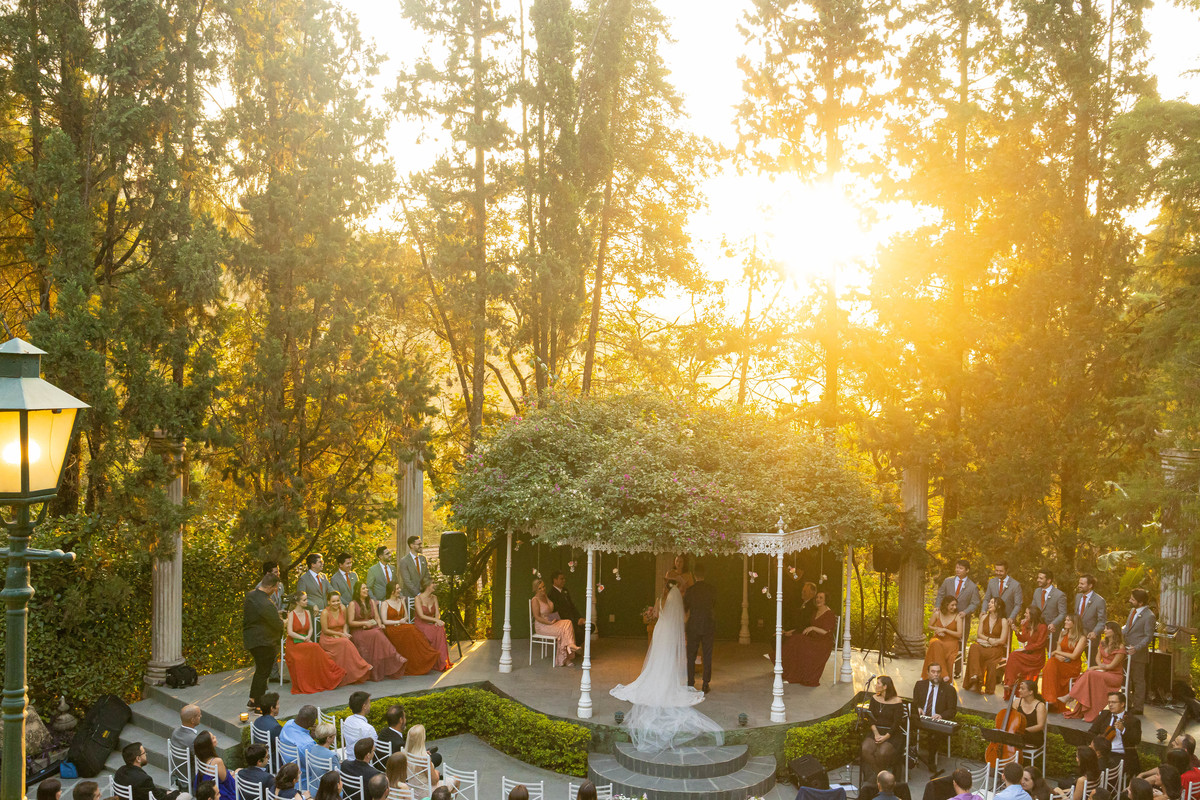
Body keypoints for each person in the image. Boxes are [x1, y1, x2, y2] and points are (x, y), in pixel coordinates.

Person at [609, 582, 723, 751]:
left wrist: (654, 613)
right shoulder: (675, 599)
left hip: (661, 630)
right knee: (668, 659)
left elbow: (655, 615)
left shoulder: (659, 599)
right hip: (669, 632)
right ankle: (667, 682)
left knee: (658, 658)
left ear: (665, 588)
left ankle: (656, 679)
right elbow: (681, 618)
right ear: (675, 589)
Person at [285, 591, 356, 691]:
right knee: (316, 647)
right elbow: (290, 632)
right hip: (294, 645)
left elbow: (310, 629)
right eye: (304, 600)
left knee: (314, 647)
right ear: (297, 602)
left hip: (305, 642)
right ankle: (335, 671)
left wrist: (308, 637)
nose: (307, 602)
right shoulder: (292, 614)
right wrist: (303, 639)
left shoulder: (307, 612)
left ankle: (330, 675)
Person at [1065, 622, 1127, 721]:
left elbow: (1111, 666)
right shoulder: (1103, 642)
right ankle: (1083, 708)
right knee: (1090, 676)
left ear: (1114, 631)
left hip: (1114, 676)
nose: (1104, 630)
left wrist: (1096, 668)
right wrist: (1099, 666)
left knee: (1090, 673)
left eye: (1107, 629)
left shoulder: (1120, 647)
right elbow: (1097, 658)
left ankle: (1071, 696)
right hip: (1102, 672)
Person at [348, 582, 407, 681]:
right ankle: (395, 655)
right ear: (358, 591)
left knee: (379, 632)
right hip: (359, 631)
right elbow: (350, 622)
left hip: (372, 628)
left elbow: (377, 617)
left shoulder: (371, 601)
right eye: (364, 588)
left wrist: (380, 625)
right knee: (376, 634)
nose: (367, 590)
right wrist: (364, 624)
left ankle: (384, 665)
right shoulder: (352, 604)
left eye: (367, 588)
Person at [381, 580, 443, 674]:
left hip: (402, 626)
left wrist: (403, 621)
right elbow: (384, 621)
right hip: (392, 628)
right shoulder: (385, 603)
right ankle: (425, 656)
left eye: (399, 588)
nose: (399, 590)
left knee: (412, 630)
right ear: (392, 591)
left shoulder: (401, 601)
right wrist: (398, 621)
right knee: (411, 629)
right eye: (397, 588)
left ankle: (426, 656)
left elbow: (406, 616)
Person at [243, 572, 285, 708]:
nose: (275, 590)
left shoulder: (250, 596)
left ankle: (253, 699)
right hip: (264, 642)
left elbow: (259, 616)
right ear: (271, 587)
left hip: (251, 639)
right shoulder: (266, 603)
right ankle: (258, 702)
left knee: (260, 671)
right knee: (263, 672)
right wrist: (285, 621)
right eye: (275, 588)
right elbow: (277, 625)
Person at [782, 589, 838, 686]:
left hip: (823, 642)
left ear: (826, 600)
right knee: (795, 639)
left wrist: (813, 627)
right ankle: (789, 670)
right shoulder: (816, 611)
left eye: (821, 598)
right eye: (817, 597)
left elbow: (825, 632)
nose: (818, 599)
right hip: (813, 639)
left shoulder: (829, 614)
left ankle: (796, 675)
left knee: (800, 643)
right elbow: (807, 625)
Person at [318, 590, 375, 682]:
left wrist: (344, 632)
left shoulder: (343, 608)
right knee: (345, 642)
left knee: (345, 641)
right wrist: (341, 634)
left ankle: (354, 673)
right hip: (328, 638)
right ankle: (362, 664)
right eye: (333, 601)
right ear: (328, 602)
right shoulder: (325, 612)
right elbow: (325, 630)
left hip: (341, 636)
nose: (336, 603)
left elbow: (345, 623)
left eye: (338, 601)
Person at [860, 676, 905, 788]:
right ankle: (881, 777)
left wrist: (885, 737)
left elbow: (897, 723)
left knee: (882, 753)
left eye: (878, 683)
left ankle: (880, 779)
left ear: (885, 686)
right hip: (876, 730)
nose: (876, 685)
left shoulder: (897, 701)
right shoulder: (874, 698)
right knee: (865, 749)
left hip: (891, 733)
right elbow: (870, 718)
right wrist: (876, 733)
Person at [913, 662, 958, 775]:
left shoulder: (949, 690)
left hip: (935, 721)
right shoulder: (919, 685)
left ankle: (931, 761)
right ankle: (909, 755)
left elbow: (952, 710)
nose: (936, 674)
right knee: (905, 727)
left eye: (938, 672)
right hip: (920, 718)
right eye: (933, 672)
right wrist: (918, 708)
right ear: (928, 673)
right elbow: (915, 702)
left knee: (934, 735)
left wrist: (941, 715)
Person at [1089, 691, 1142, 774]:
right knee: (1087, 758)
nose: (1110, 705)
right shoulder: (1104, 715)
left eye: (1113, 702)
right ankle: (1082, 782)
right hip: (1103, 752)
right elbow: (1092, 732)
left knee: (1100, 765)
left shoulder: (1133, 720)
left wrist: (1123, 730)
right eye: (1109, 702)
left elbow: (1136, 740)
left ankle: (1098, 783)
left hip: (1120, 754)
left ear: (1122, 704)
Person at [965, 596, 1010, 693]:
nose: (989, 604)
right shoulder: (984, 617)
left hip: (995, 649)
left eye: (992, 602)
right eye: (989, 602)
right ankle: (976, 676)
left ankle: (978, 679)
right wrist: (989, 639)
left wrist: (994, 642)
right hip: (983, 645)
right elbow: (979, 634)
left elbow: (1002, 640)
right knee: (973, 647)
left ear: (998, 606)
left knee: (988, 661)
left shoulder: (1003, 621)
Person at [531, 576, 579, 666]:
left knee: (568, 622)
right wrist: (549, 622)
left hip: (550, 621)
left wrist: (553, 618)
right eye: (539, 588)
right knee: (563, 630)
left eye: (543, 586)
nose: (543, 589)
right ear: (535, 589)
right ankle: (566, 657)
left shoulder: (546, 596)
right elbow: (537, 617)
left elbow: (550, 611)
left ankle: (569, 647)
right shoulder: (535, 600)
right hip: (542, 626)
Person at [1043, 613, 1087, 712]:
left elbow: (1074, 656)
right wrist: (1057, 655)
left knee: (1050, 664)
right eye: (1065, 620)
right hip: (1060, 662)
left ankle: (1050, 699)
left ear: (1074, 623)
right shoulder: (1063, 634)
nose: (1065, 622)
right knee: (1051, 662)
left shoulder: (1082, 638)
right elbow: (1059, 649)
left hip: (1072, 666)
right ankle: (1050, 699)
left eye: (1068, 620)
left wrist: (1056, 652)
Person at [685, 561, 717, 693]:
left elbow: (685, 607)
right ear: (705, 574)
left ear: (694, 574)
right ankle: (705, 684)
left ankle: (690, 682)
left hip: (693, 625)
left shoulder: (690, 591)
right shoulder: (711, 590)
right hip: (708, 624)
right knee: (707, 655)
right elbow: (714, 605)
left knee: (691, 655)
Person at [1123, 588, 1156, 715]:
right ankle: (1127, 703)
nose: (1130, 601)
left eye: (1133, 599)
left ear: (1141, 602)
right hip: (1126, 651)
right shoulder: (1132, 611)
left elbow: (1148, 637)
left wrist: (1136, 648)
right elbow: (1127, 629)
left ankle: (1138, 707)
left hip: (1138, 653)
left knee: (1138, 680)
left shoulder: (1149, 616)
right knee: (1126, 679)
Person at [1004, 606, 1048, 699]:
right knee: (1013, 655)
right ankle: (1009, 683)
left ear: (1032, 615)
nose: (1024, 614)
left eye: (1026, 613)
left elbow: (1040, 644)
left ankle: (1010, 683)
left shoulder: (1042, 627)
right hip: (1028, 653)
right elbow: (1024, 639)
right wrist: (1017, 631)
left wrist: (1025, 649)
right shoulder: (1028, 624)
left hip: (1036, 657)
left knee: (1014, 655)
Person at [115, 741, 185, 800]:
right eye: (144, 753)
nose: (146, 754)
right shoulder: (143, 779)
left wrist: (166, 791)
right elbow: (162, 799)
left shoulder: (120, 771)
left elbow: (151, 790)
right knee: (186, 796)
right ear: (138, 759)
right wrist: (176, 793)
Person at [413, 577, 453, 669]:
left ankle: (441, 662)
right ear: (427, 586)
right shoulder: (418, 598)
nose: (435, 585)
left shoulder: (434, 597)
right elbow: (421, 615)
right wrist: (436, 620)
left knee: (440, 627)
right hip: (421, 623)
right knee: (435, 629)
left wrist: (437, 620)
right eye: (433, 583)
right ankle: (436, 661)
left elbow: (437, 613)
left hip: (431, 622)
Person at [404, 724, 457, 791]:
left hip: (412, 790)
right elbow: (434, 781)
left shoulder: (405, 754)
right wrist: (437, 772)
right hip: (426, 791)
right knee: (456, 780)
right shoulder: (424, 758)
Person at [279, 706, 319, 793]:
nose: (315, 721)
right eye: (314, 719)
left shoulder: (288, 724)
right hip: (305, 782)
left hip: (287, 772)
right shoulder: (307, 744)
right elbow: (315, 767)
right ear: (309, 722)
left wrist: (309, 736)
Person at [922, 596, 963, 680]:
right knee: (935, 643)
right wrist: (937, 629)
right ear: (946, 605)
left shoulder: (957, 617)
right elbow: (929, 626)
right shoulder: (937, 614)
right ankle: (944, 674)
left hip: (950, 642)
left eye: (955, 605)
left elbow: (959, 634)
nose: (954, 607)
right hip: (938, 638)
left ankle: (938, 675)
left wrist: (945, 630)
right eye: (952, 605)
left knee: (935, 647)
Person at [1074, 574, 1108, 664]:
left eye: (1082, 584)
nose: (1079, 585)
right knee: (1073, 659)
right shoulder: (1078, 597)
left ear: (1090, 586)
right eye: (1079, 583)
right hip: (1076, 635)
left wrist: (1095, 632)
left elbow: (1102, 621)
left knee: (1091, 662)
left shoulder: (1099, 601)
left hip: (1090, 637)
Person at [547, 570, 587, 645]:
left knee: (590, 626)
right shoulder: (551, 594)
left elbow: (572, 606)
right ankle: (572, 648)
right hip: (563, 621)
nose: (564, 581)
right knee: (578, 631)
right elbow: (559, 612)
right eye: (561, 579)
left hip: (573, 619)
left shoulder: (565, 590)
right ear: (555, 580)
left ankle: (573, 646)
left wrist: (579, 618)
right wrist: (575, 621)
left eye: (564, 579)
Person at [193, 731, 234, 799]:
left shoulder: (201, 758)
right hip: (220, 793)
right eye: (213, 738)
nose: (215, 737)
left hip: (207, 789)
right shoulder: (217, 761)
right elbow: (228, 783)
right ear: (208, 745)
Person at [1032, 570, 1068, 644]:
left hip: (1052, 631)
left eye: (1041, 578)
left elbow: (1063, 613)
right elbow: (1032, 608)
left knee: (1051, 653)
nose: (1038, 580)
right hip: (1037, 629)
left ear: (1048, 580)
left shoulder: (1059, 595)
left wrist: (1053, 624)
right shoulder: (1037, 591)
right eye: (1038, 578)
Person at [1010, 679, 1048, 749]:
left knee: (1012, 741)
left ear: (1030, 692)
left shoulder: (1040, 706)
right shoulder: (1016, 702)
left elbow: (1040, 726)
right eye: (1019, 688)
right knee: (1006, 738)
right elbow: (1011, 719)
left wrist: (1023, 730)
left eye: (1022, 689)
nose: (1019, 690)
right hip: (1018, 734)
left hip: (1033, 736)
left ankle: (1012, 757)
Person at [398, 536, 431, 608]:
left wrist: (427, 591)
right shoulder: (404, 561)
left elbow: (427, 575)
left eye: (421, 544)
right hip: (410, 596)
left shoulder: (423, 559)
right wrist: (418, 594)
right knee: (412, 618)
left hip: (423, 594)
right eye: (418, 544)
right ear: (411, 545)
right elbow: (407, 581)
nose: (421, 546)